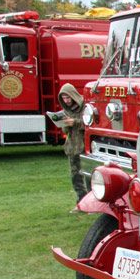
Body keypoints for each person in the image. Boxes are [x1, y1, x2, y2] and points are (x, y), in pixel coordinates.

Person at [57, 84, 88, 212]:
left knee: (89, 176)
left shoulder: (85, 107)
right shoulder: (66, 111)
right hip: (72, 147)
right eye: (64, 98)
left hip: (85, 146)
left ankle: (93, 205)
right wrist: (64, 123)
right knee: (75, 176)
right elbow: (66, 131)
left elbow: (90, 123)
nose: (66, 101)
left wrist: (75, 122)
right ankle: (81, 203)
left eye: (68, 97)